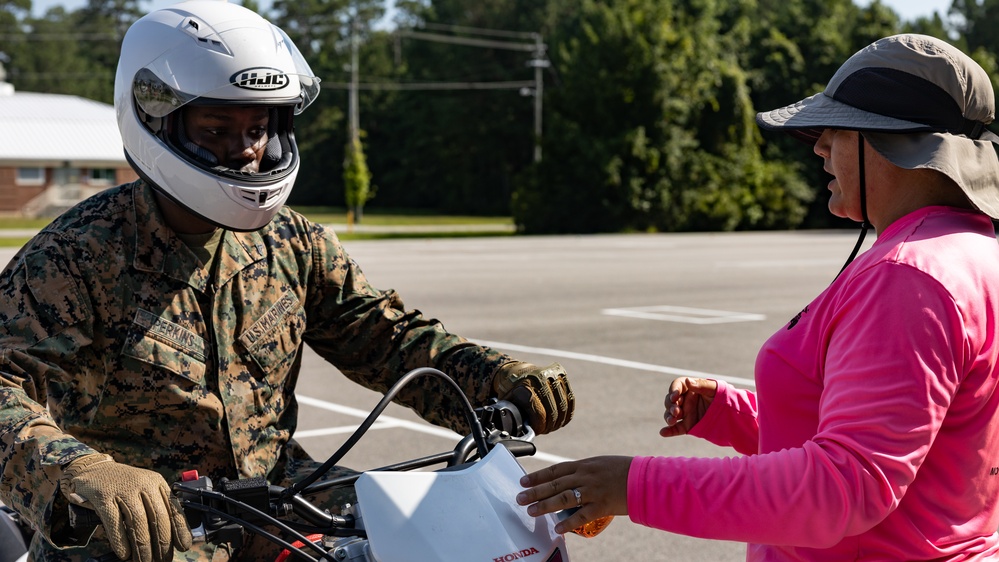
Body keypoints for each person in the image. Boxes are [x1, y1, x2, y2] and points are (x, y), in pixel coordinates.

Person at [0, 2, 575, 562]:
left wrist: (494, 377)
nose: (246, 149)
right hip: (144, 527)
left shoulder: (293, 243)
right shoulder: (77, 256)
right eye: (217, 127)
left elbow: (385, 336)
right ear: (156, 119)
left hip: (284, 496)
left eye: (258, 126)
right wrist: (81, 470)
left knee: (454, 532)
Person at [517, 33, 999, 560]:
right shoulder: (972, 252)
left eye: (834, 129)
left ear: (889, 142)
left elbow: (843, 486)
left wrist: (632, 484)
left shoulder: (908, 278)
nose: (817, 146)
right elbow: (913, 439)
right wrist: (732, 414)